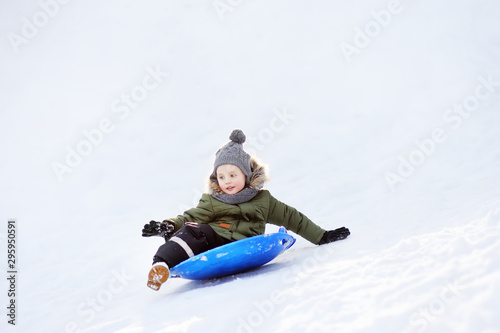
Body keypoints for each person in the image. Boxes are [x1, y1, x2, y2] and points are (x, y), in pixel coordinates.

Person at [142, 129, 350, 291]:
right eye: (221, 177)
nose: (227, 181)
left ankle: (165, 260)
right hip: (214, 241)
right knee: (190, 230)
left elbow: (292, 218)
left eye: (233, 175)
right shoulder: (213, 201)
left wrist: (321, 236)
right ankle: (160, 266)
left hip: (245, 242)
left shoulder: (263, 201)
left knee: (192, 229)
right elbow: (190, 216)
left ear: (247, 174)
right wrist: (168, 224)